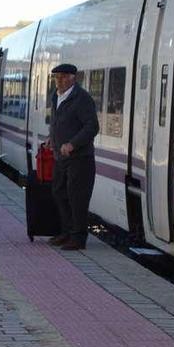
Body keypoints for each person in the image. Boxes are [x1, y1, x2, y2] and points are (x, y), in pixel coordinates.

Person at [44, 63, 100, 251]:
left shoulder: (82, 99)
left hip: (80, 158)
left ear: (72, 78)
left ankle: (78, 238)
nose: (58, 81)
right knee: (59, 193)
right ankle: (67, 232)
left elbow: (92, 127)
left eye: (61, 77)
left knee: (77, 198)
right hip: (61, 157)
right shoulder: (56, 97)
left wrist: (72, 144)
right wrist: (51, 139)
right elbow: (57, 123)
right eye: (56, 77)